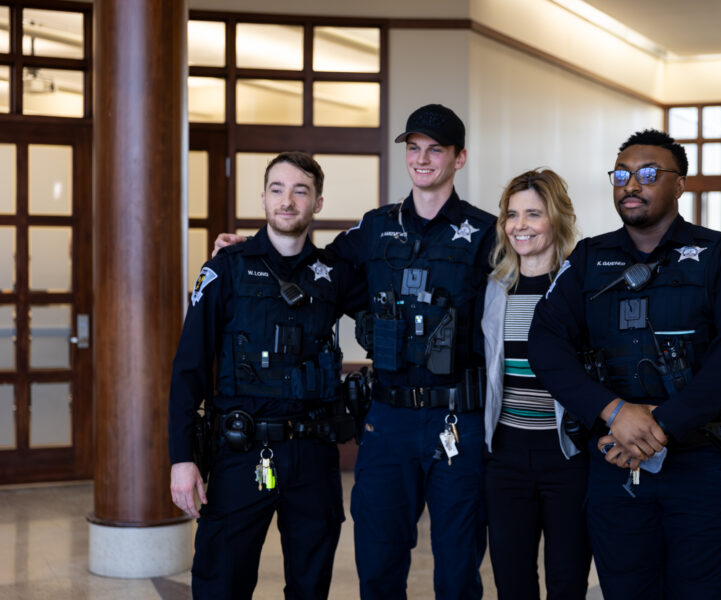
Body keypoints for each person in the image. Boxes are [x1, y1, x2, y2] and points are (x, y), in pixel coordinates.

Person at [213, 104, 496, 599]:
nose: (423, 160)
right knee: (379, 563)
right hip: (386, 421)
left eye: (436, 150)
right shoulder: (375, 228)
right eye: (414, 149)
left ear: (460, 158)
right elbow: (312, 270)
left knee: (457, 568)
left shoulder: (487, 234)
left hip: (459, 420)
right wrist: (250, 250)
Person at [528, 129, 721, 600]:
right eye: (621, 175)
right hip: (617, 469)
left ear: (680, 185)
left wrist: (657, 427)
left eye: (648, 174)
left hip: (703, 467)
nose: (631, 185)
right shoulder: (589, 259)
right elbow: (545, 343)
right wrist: (615, 412)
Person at [169, 152, 365, 599]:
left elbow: (387, 303)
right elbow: (188, 368)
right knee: (221, 584)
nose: (287, 200)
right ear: (262, 198)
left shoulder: (333, 276)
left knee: (310, 586)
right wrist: (182, 458)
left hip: (313, 456)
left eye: (301, 190)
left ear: (317, 202)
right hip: (242, 453)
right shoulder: (225, 269)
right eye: (277, 189)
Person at [482, 169, 591, 600]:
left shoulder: (577, 288)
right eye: (512, 215)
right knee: (512, 583)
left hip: (567, 458)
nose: (520, 225)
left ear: (557, 219)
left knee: (567, 583)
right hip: (505, 459)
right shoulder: (495, 290)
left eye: (533, 214)